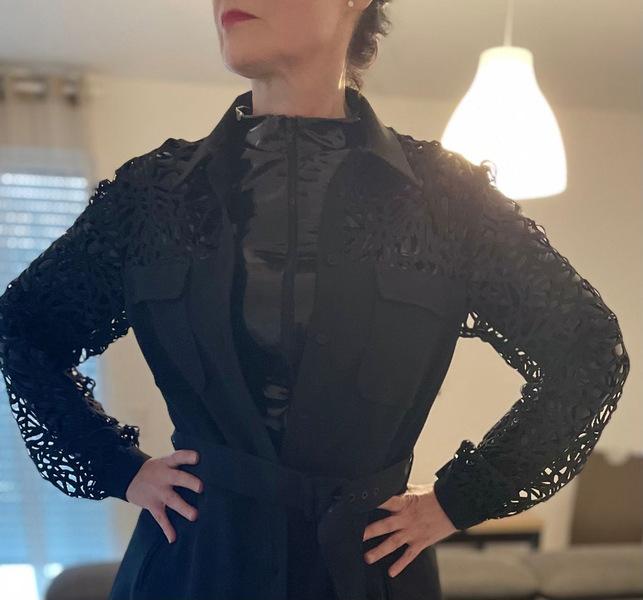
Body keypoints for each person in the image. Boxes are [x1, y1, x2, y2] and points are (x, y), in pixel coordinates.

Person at [0, 1, 631, 599]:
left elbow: (588, 349)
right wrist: (117, 466)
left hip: (369, 571)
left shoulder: (446, 201)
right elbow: (24, 328)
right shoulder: (152, 198)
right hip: (195, 565)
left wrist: (459, 498)